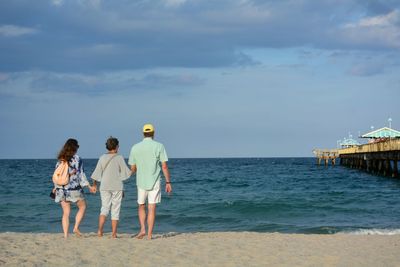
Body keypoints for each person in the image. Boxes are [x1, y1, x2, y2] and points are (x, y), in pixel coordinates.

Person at [128, 124, 172, 240]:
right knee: (151, 208)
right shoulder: (159, 146)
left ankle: (142, 229)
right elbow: (164, 166)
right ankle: (149, 234)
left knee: (141, 205)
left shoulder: (135, 147)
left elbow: (133, 169)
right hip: (155, 181)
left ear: (143, 133)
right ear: (153, 133)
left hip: (141, 181)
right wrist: (168, 182)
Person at [53, 138, 96, 239]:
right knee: (82, 207)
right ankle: (76, 227)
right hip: (74, 189)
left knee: (66, 213)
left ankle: (65, 235)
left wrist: (55, 187)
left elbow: (57, 175)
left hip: (61, 189)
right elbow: (81, 175)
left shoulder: (60, 159)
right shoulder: (77, 159)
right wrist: (89, 186)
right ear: (75, 148)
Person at [91, 136, 132, 238]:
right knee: (115, 210)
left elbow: (96, 173)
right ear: (117, 146)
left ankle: (100, 231)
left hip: (104, 186)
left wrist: (95, 185)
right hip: (117, 186)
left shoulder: (102, 157)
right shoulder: (119, 157)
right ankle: (114, 233)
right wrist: (134, 169)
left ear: (107, 147)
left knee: (104, 208)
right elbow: (125, 173)